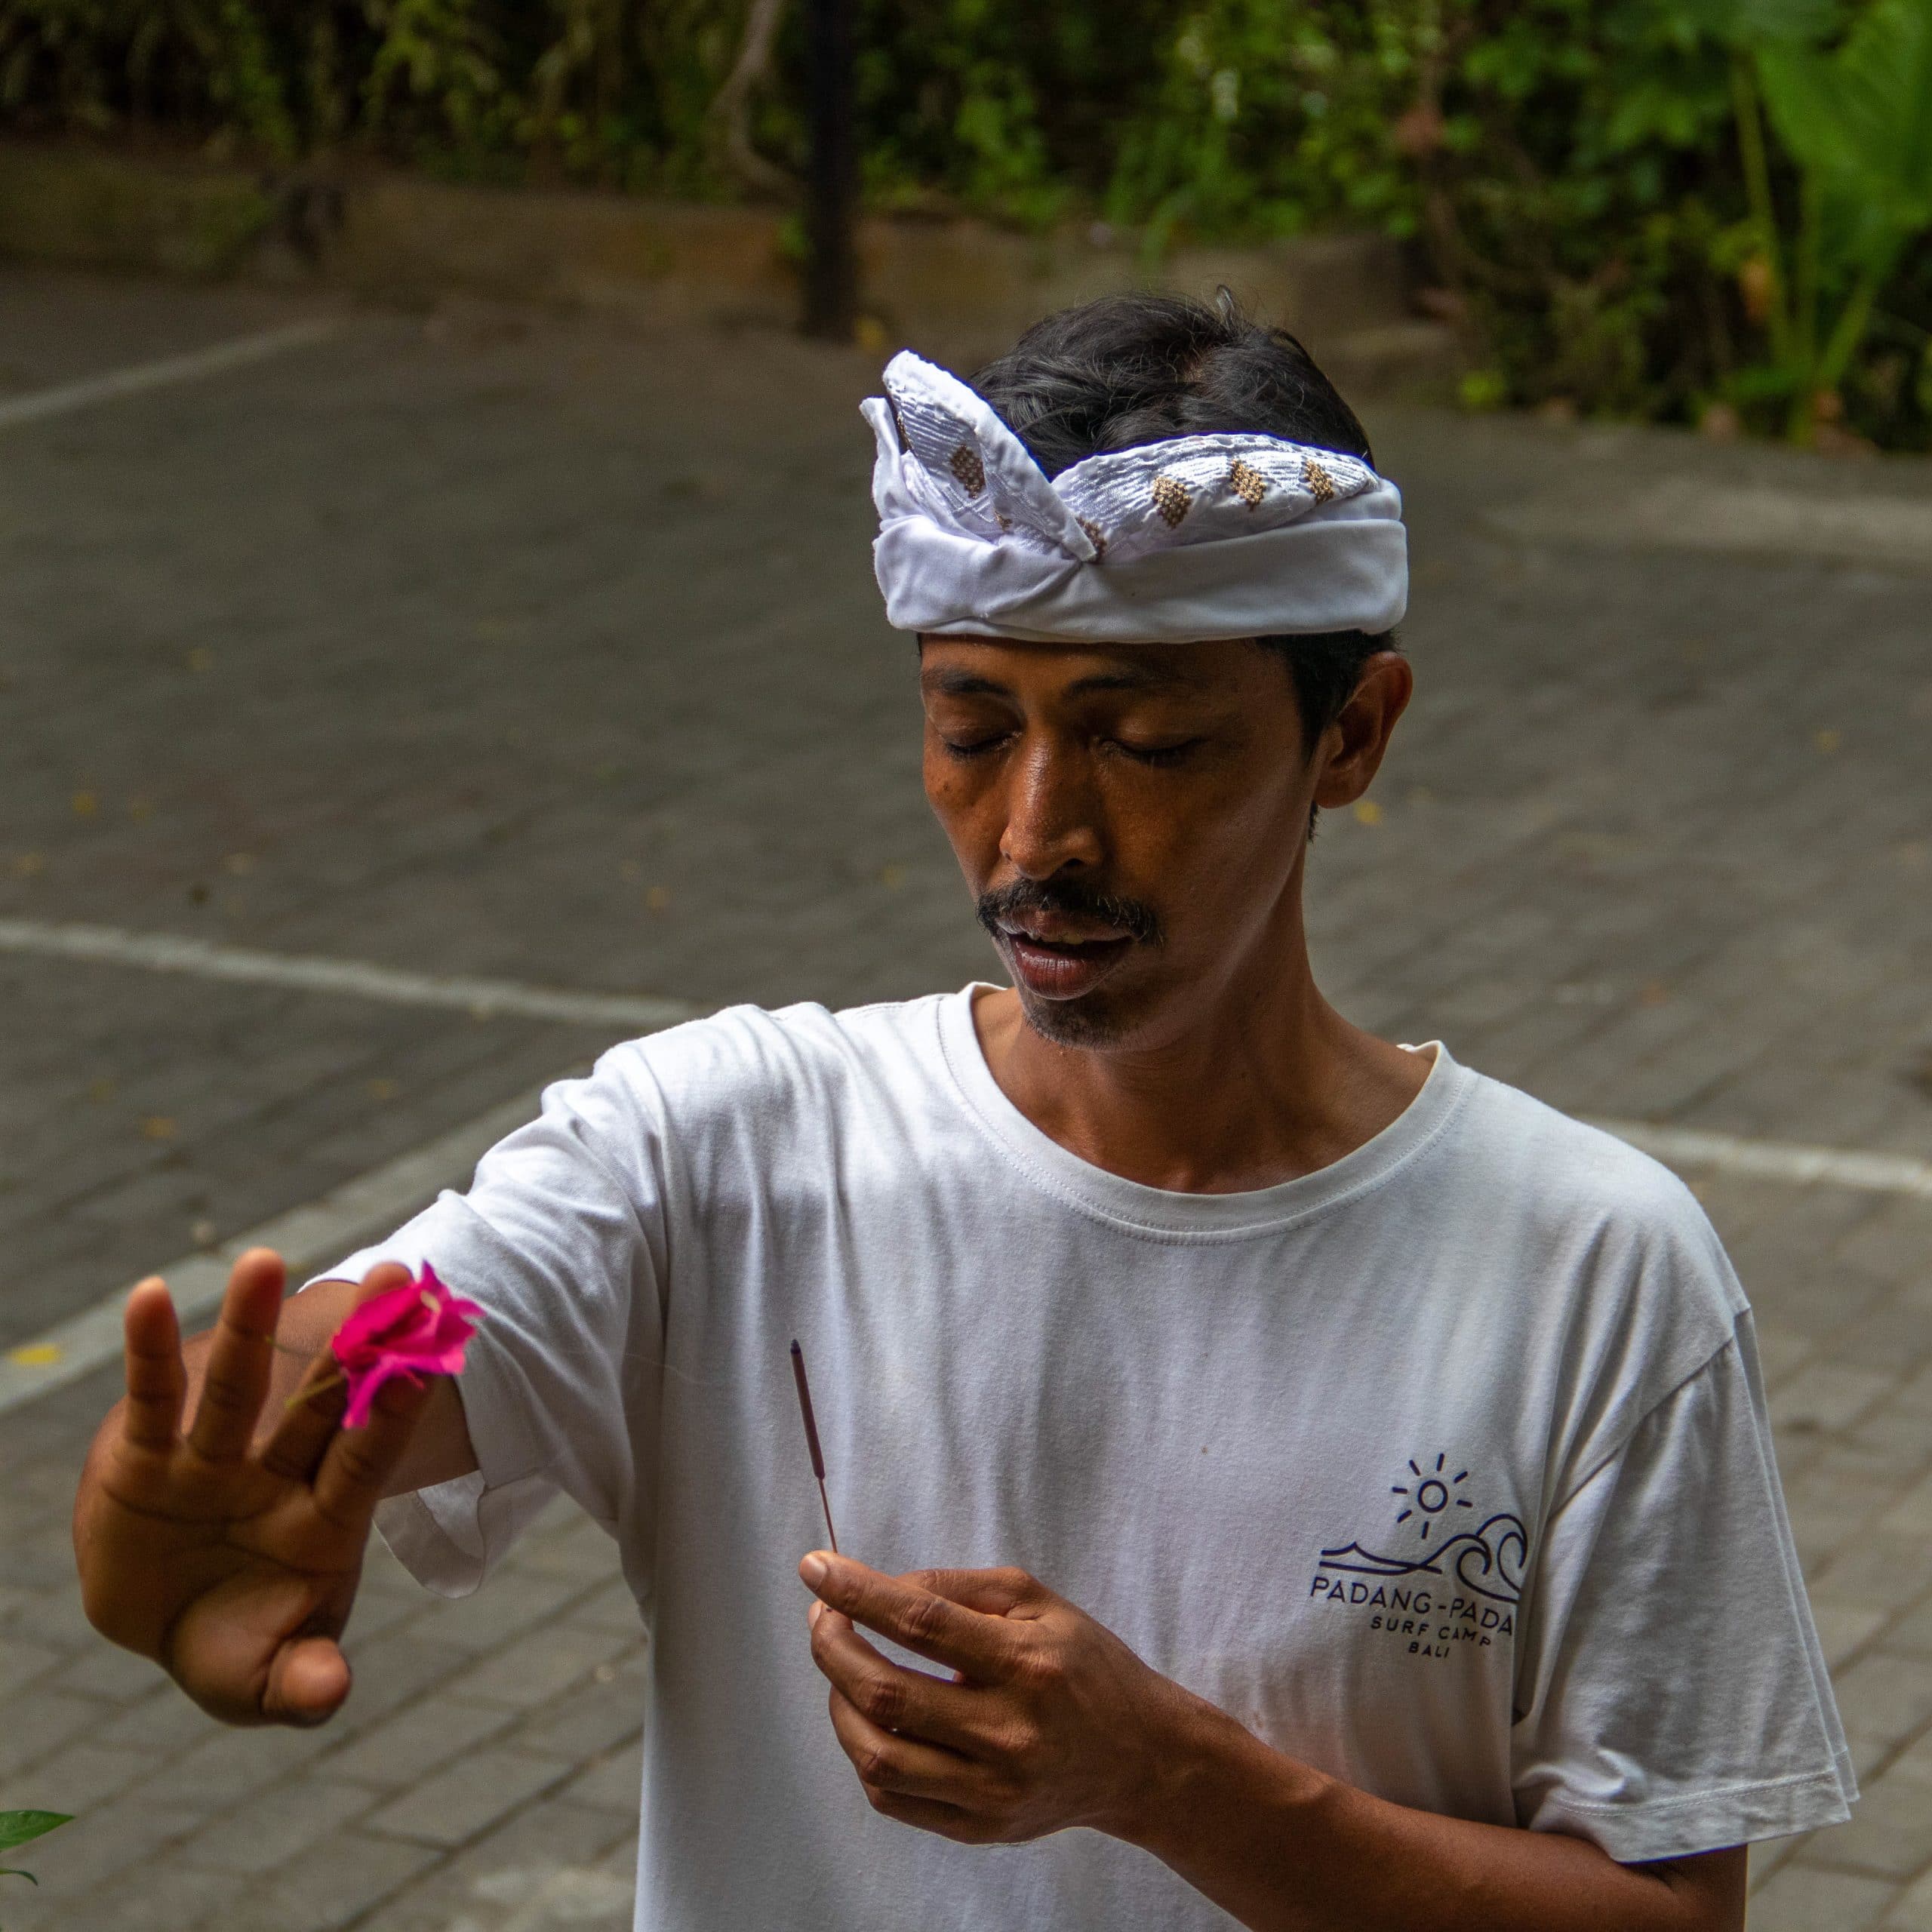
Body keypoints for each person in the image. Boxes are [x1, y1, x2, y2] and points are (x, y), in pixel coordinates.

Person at [74, 293, 1853, 1931]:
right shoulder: (712, 1151)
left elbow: (1667, 1912)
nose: (1033, 836)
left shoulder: (1591, 1273)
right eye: (970, 723)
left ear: (1352, 732)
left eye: (1143, 739)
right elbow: (382, 1350)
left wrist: (1171, 1778)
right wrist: (215, 1470)